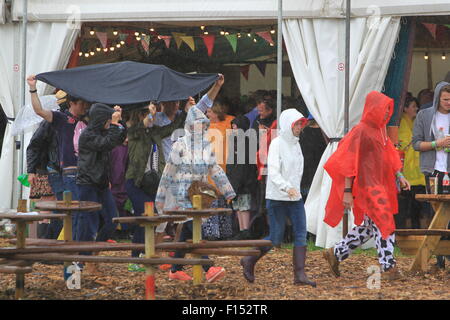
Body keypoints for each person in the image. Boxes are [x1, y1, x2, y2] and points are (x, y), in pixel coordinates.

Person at [322, 91, 411, 280]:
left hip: (381, 185)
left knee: (370, 228)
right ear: (373, 109)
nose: (387, 114)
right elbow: (347, 160)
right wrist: (347, 191)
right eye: (384, 109)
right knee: (384, 222)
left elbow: (389, 156)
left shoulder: (381, 130)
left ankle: (336, 253)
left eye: (389, 110)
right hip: (368, 186)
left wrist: (400, 175)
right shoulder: (360, 130)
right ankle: (389, 267)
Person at [155, 105, 236, 282]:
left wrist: (228, 191)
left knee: (187, 233)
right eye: (197, 125)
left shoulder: (206, 147)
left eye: (203, 125)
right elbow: (168, 172)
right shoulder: (180, 145)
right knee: (195, 230)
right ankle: (209, 268)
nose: (201, 128)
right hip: (181, 195)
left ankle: (175, 269)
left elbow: (215, 170)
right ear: (190, 126)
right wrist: (160, 197)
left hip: (199, 196)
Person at [240, 108, 316, 287]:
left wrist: (293, 190)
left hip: (294, 198)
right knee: (275, 237)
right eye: (297, 123)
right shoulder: (277, 144)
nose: (299, 127)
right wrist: (286, 187)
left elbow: (297, 172)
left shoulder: (296, 144)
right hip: (277, 197)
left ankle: (300, 275)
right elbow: (273, 172)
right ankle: (249, 259)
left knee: (300, 233)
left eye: (301, 124)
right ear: (288, 124)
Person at [125, 102, 190, 271]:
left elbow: (173, 127)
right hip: (135, 182)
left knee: (152, 218)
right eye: (147, 114)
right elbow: (141, 127)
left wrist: (185, 112)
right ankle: (135, 257)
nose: (152, 117)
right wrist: (151, 115)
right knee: (146, 217)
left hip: (152, 182)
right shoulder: (133, 132)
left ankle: (144, 255)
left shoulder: (154, 132)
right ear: (140, 116)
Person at [27, 75, 90, 240]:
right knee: (62, 208)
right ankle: (49, 244)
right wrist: (32, 170)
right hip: (56, 169)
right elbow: (35, 144)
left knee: (63, 209)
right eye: (82, 102)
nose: (85, 106)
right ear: (71, 102)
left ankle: (53, 244)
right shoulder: (58, 119)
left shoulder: (84, 122)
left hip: (77, 171)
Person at [76, 104, 127, 273]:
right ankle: (83, 260)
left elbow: (119, 139)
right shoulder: (88, 135)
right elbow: (108, 143)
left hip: (102, 184)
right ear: (100, 120)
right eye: (106, 121)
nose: (108, 123)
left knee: (112, 220)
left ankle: (93, 252)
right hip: (87, 183)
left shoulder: (103, 132)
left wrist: (120, 120)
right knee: (89, 225)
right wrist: (113, 125)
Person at [412, 81, 450, 268]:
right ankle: (440, 258)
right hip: (433, 170)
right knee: (437, 213)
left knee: (448, 215)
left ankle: (444, 254)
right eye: (445, 99)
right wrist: (437, 144)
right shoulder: (425, 116)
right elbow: (416, 144)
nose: (448, 103)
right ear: (437, 98)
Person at [396, 97, 426, 229]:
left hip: (418, 171)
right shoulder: (401, 123)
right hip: (406, 171)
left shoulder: (416, 122)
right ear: (405, 108)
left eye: (416, 106)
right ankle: (402, 233)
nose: (416, 109)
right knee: (405, 206)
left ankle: (416, 231)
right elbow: (402, 144)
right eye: (413, 106)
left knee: (417, 206)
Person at [226, 116, 257, 240]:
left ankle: (245, 229)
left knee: (244, 206)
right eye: (232, 127)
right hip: (236, 182)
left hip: (244, 182)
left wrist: (238, 183)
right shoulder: (235, 142)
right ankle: (241, 229)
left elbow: (243, 167)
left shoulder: (245, 142)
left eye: (236, 127)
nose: (233, 129)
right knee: (238, 206)